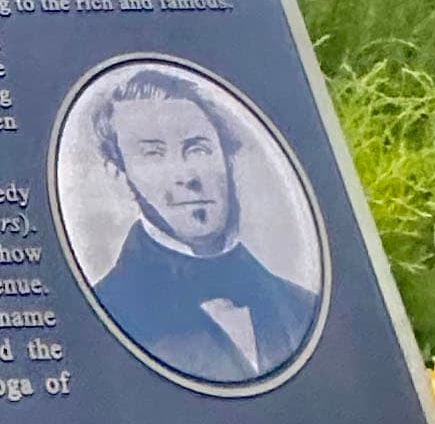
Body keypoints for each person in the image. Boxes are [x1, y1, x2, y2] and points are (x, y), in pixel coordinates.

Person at [80, 67, 319, 386]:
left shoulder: (303, 307)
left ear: (227, 158)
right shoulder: (95, 319)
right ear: (120, 176)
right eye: (154, 154)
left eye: (197, 149)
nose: (187, 176)